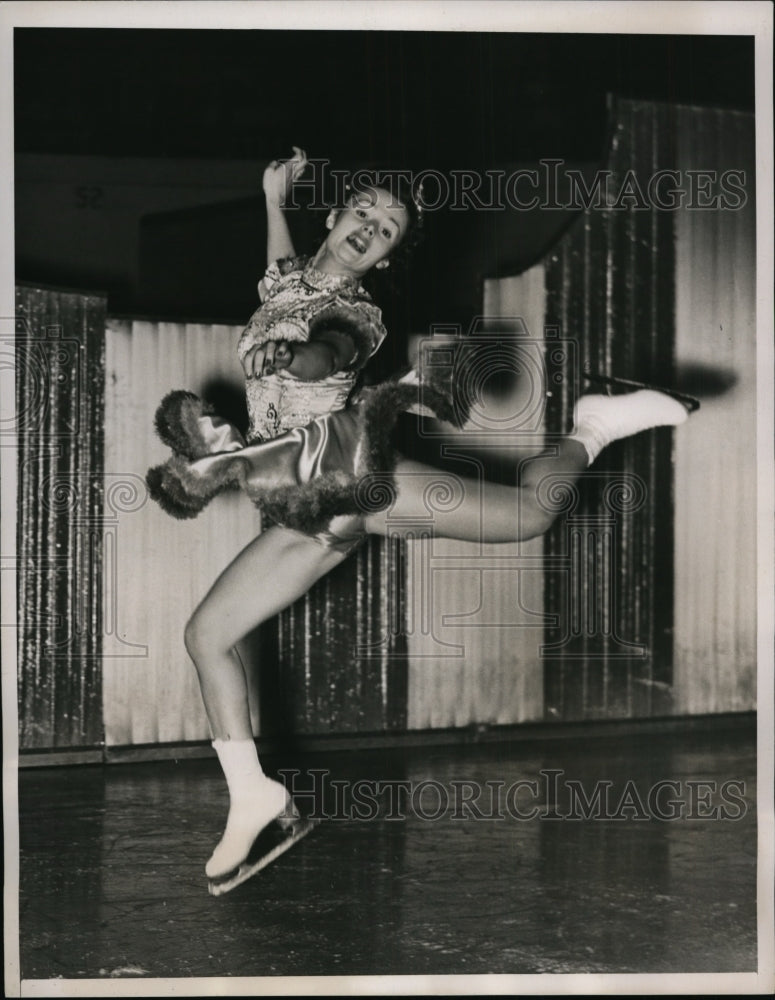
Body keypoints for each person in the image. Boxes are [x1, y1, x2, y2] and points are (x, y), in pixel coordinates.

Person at [147, 148, 694, 883]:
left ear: (386, 258)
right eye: (364, 212)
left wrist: (296, 359)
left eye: (389, 230)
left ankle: (590, 425)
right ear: (335, 216)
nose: (371, 228)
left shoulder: (358, 314)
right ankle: (252, 794)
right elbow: (281, 272)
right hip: (306, 509)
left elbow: (327, 349)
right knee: (206, 634)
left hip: (361, 478)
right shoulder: (286, 281)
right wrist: (273, 198)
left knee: (532, 516)